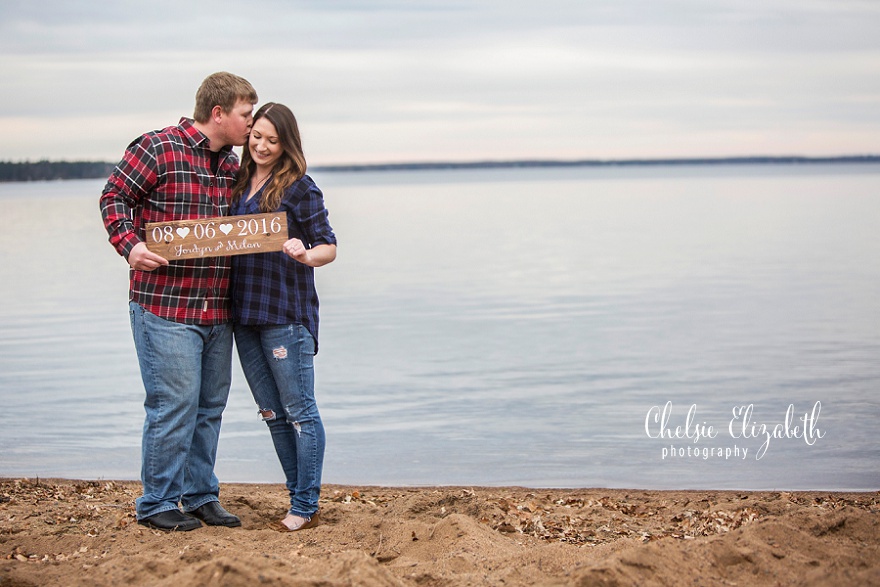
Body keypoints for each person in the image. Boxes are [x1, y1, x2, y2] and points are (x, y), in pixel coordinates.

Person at [100, 72, 258, 532]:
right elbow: (115, 197)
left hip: (217, 309)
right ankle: (158, 504)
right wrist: (130, 246)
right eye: (246, 115)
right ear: (218, 113)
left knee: (210, 407)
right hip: (165, 307)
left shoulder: (231, 166)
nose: (250, 124)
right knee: (174, 405)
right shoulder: (157, 148)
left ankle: (201, 495)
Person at [229, 102, 337, 532]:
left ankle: (305, 506)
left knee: (300, 411)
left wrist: (304, 253)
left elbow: (329, 245)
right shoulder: (237, 184)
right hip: (243, 314)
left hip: (285, 314)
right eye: (256, 136)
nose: (261, 145)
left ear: (286, 143)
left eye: (272, 140)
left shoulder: (299, 187)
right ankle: (297, 497)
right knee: (272, 413)